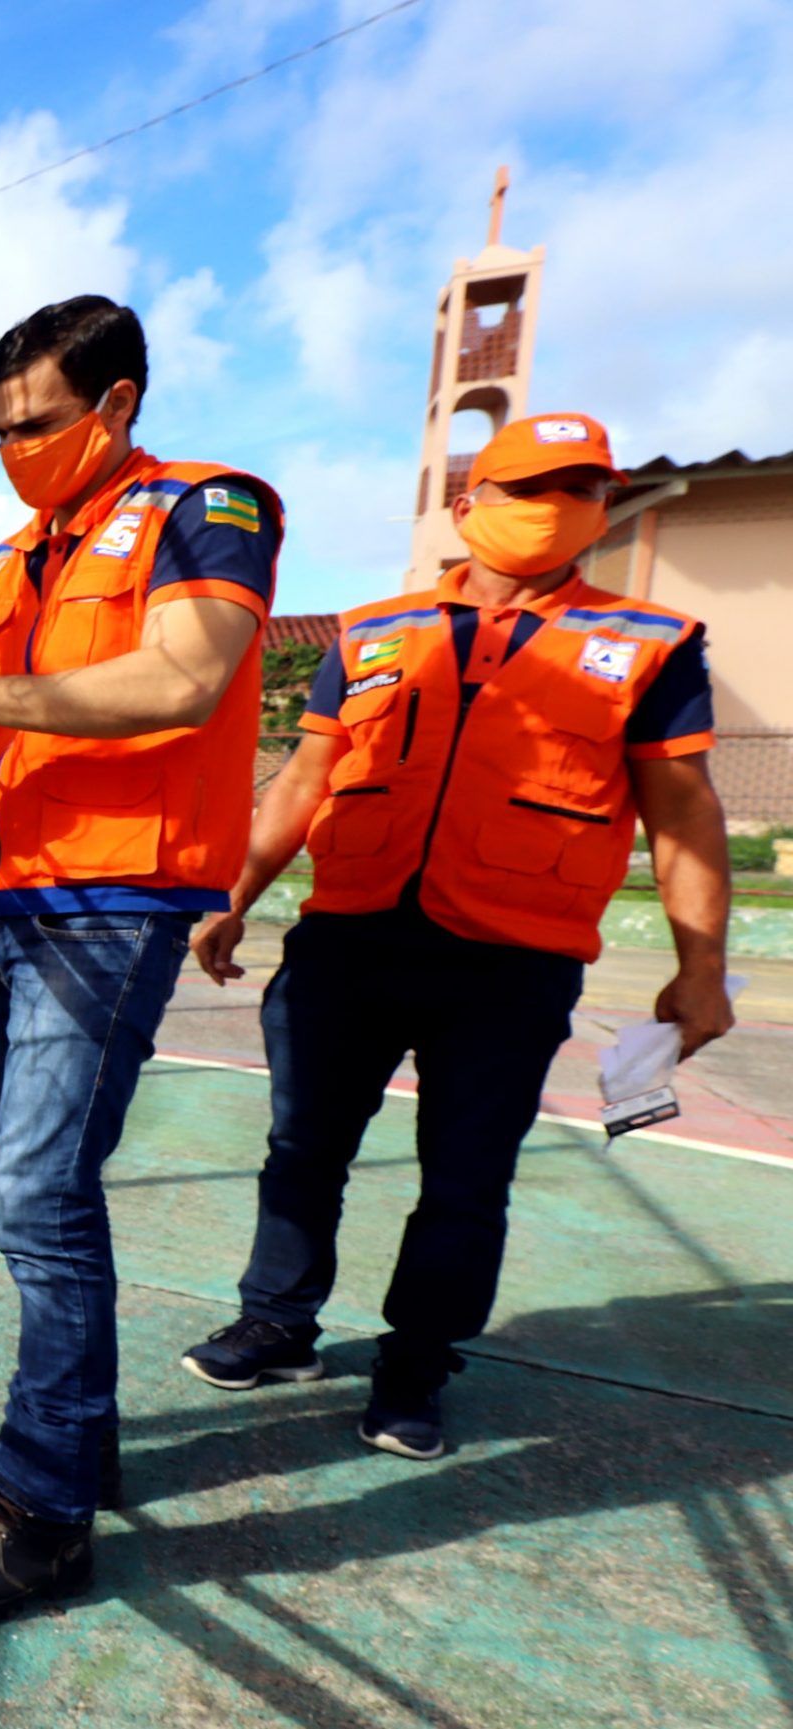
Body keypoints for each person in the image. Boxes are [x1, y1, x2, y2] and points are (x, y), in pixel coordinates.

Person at [0, 295, 282, 1623]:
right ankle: (70, 1437)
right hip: (1, 901)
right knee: (47, 1183)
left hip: (117, 900)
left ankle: (42, 1517)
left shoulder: (212, 508)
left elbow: (183, 681)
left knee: (33, 1192)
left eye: (36, 423)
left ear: (119, 401)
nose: (15, 448)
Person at [179, 411, 732, 1461]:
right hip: (348, 938)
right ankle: (278, 1321)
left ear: (600, 509)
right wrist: (232, 891)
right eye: (524, 488)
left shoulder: (648, 648)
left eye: (576, 490)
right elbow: (305, 776)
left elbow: (683, 809)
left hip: (511, 960)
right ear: (465, 502)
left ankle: (415, 1363)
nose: (548, 511)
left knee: (465, 1178)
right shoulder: (372, 630)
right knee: (301, 1149)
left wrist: (698, 968)